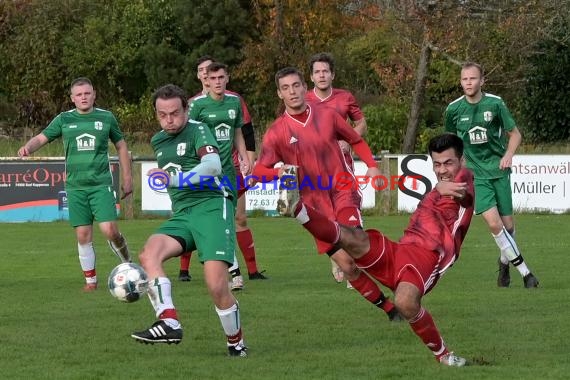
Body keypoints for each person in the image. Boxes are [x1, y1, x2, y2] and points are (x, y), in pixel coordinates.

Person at [288, 133, 474, 366]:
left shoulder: (464, 179)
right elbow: (440, 187)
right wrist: (437, 189)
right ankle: (298, 209)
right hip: (402, 248)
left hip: (429, 256)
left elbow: (464, 193)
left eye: (449, 163)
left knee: (405, 302)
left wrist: (441, 188)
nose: (443, 170)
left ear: (461, 161)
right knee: (353, 240)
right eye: (437, 164)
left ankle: (444, 355)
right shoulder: (440, 185)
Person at [252, 67, 401, 321]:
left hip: (342, 190)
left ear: (303, 87)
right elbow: (258, 172)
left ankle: (403, 281)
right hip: (312, 207)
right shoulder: (277, 132)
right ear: (279, 94)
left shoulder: (328, 115)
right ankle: (390, 310)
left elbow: (356, 139)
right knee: (347, 265)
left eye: (296, 85)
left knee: (358, 248)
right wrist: (279, 173)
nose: (293, 91)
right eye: (286, 88)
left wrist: (373, 166)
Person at [131, 84, 247, 357]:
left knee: (217, 285)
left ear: (186, 109)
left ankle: (236, 343)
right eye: (162, 114)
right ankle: (169, 320)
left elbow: (213, 166)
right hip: (183, 213)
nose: (169, 119)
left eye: (174, 113)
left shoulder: (199, 129)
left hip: (211, 206)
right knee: (149, 253)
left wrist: (174, 179)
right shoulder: (158, 140)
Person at [17, 77, 132, 291]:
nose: (83, 97)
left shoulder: (106, 118)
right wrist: (28, 147)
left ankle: (128, 263)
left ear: (94, 94)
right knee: (82, 235)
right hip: (75, 186)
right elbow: (42, 138)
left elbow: (121, 146)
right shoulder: (64, 119)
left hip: (101, 184)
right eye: (79, 94)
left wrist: (127, 178)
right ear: (72, 98)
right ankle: (91, 281)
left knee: (110, 230)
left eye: (87, 93)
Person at [444, 61, 539, 288]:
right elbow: (450, 142)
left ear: (482, 81)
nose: (469, 82)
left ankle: (505, 262)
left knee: (508, 226)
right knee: (495, 224)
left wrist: (508, 155)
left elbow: (515, 134)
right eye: (465, 79)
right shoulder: (453, 109)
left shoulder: (495, 104)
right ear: (461, 82)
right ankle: (527, 274)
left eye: (473, 78)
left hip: (499, 171)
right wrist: (457, 165)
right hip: (475, 176)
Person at [178, 56, 267, 287]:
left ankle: (236, 274)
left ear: (227, 78)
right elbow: (188, 135)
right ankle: (232, 273)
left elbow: (239, 131)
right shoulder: (196, 106)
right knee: (214, 220)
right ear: (205, 79)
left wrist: (245, 158)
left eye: (221, 77)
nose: (217, 81)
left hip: (228, 170)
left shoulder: (234, 102)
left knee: (231, 219)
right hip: (205, 173)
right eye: (212, 77)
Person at [306, 52, 368, 284]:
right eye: (317, 72)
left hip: (343, 169)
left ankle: (354, 262)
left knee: (349, 213)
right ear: (311, 77)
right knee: (326, 217)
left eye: (325, 71)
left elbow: (361, 122)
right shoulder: (304, 100)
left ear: (332, 75)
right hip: (315, 172)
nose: (322, 75)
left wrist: (350, 139)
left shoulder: (345, 98)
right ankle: (338, 258)